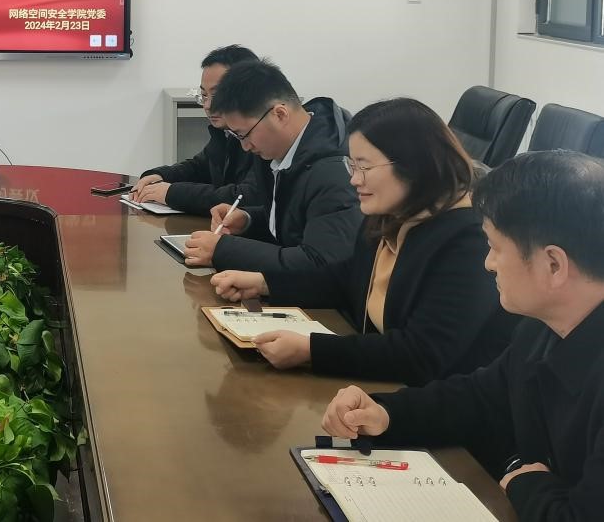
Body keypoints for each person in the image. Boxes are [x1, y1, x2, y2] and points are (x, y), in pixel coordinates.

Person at [321, 150, 604, 521]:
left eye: (495, 248)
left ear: (553, 265)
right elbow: (481, 398)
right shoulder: (542, 327)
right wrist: (386, 413)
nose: (488, 263)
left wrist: (526, 483)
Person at [211, 98, 515, 385]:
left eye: (364, 167)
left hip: (434, 403)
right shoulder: (390, 215)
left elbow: (422, 354)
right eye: (352, 166)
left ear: (413, 165)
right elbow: (348, 279)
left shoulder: (471, 241)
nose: (354, 180)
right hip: (377, 385)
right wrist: (265, 283)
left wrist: (312, 351)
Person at [180, 59, 360, 272]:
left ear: (280, 114)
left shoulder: (333, 171)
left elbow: (321, 264)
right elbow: (296, 225)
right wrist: (247, 220)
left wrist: (222, 251)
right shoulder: (281, 150)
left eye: (244, 134)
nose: (245, 146)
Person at [129, 44, 262, 214]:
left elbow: (246, 196)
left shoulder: (265, 138)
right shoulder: (226, 132)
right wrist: (160, 175)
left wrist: (171, 193)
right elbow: (199, 167)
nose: (207, 105)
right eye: (204, 95)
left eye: (217, 95)